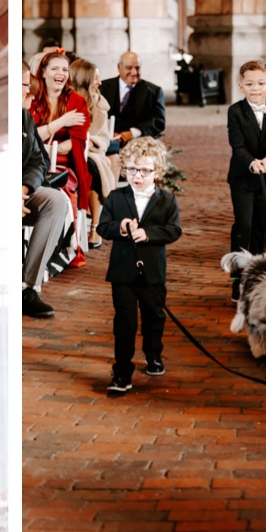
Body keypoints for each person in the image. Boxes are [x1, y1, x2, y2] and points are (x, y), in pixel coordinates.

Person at [97, 136, 180, 396]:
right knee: (125, 321)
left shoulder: (167, 200)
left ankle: (153, 353)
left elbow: (173, 230)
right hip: (123, 272)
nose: (138, 175)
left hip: (153, 273)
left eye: (145, 170)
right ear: (124, 169)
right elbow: (102, 227)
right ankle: (122, 369)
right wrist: (120, 227)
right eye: (132, 169)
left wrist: (149, 234)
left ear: (158, 171)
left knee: (154, 316)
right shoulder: (116, 197)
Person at [226, 60, 266, 265]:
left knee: (262, 226)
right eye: (250, 84)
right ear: (241, 87)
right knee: (244, 226)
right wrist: (252, 162)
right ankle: (238, 275)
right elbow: (237, 145)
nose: (255, 89)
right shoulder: (235, 111)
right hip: (243, 178)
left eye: (261, 83)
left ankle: (256, 269)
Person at [29, 50, 91, 256]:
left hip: (66, 165)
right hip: (33, 163)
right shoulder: (32, 101)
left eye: (64, 69)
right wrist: (61, 123)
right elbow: (27, 137)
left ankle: (66, 246)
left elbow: (75, 142)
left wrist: (45, 139)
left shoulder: (77, 101)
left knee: (64, 190)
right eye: (55, 68)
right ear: (43, 73)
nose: (61, 73)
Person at [22, 62, 72, 318]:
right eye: (23, 88)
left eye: (28, 89)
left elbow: (37, 160)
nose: (28, 95)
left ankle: (28, 287)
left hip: (22, 191)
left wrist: (23, 188)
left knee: (56, 200)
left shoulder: (24, 118)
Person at [69, 55, 114, 237]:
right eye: (96, 78)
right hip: (65, 149)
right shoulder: (65, 99)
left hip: (91, 151)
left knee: (92, 167)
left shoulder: (99, 104)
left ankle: (95, 226)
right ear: (84, 78)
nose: (100, 82)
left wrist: (85, 139)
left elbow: (101, 138)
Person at [105, 51, 166, 150]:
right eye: (129, 68)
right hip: (107, 143)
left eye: (137, 68)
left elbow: (159, 121)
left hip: (140, 144)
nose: (134, 73)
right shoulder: (102, 88)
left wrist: (133, 133)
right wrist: (109, 132)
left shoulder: (154, 91)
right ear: (119, 67)